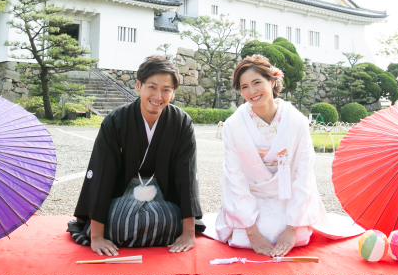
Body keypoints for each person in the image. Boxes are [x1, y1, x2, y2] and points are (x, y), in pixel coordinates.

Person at [68, 55, 202, 255]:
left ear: (173, 93)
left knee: (168, 222)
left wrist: (188, 233)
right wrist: (96, 236)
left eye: (166, 90)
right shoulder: (116, 120)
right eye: (152, 87)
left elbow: (187, 174)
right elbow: (102, 174)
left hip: (162, 188)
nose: (158, 96)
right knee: (118, 226)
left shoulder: (181, 122)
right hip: (123, 187)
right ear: (138, 86)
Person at [214, 55, 328, 257]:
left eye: (257, 82)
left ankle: (294, 224)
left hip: (288, 193)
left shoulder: (296, 121)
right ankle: (247, 225)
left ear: (272, 81)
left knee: (298, 236)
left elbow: (304, 174)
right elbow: (234, 177)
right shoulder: (234, 125)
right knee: (245, 236)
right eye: (244, 87)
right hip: (252, 195)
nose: (252, 92)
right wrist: (251, 231)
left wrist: (292, 227)